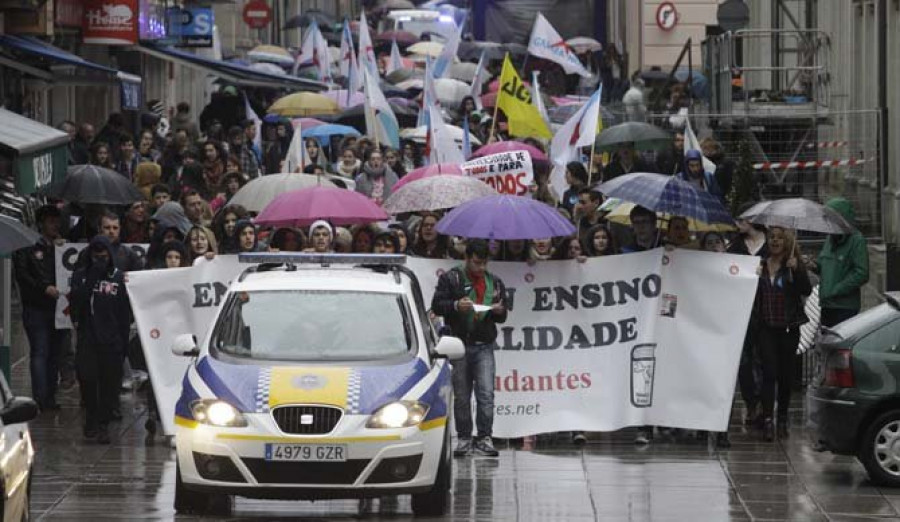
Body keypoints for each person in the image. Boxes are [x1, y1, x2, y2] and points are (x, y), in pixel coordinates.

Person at [431, 239, 508, 457]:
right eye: (476, 263)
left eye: (484, 264)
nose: (481, 268)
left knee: (486, 394)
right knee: (462, 396)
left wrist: (498, 310)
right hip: (459, 345)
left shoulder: (495, 282)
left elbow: (503, 316)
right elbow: (437, 305)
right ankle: (464, 437)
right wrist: (456, 305)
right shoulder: (451, 278)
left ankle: (484, 437)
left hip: (484, 345)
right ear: (466, 259)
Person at [69, 235, 131, 444]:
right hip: (88, 338)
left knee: (109, 385)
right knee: (87, 380)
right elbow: (76, 302)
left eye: (103, 257)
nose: (100, 261)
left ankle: (103, 424)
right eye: (96, 257)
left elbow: (124, 312)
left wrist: (123, 343)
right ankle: (91, 417)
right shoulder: (80, 275)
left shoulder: (118, 278)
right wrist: (91, 277)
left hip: (112, 340)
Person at [755, 227, 812, 441]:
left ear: (786, 242)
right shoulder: (760, 265)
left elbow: (805, 290)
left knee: (785, 376)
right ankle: (768, 419)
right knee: (768, 373)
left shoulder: (793, 265)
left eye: (779, 238)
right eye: (772, 238)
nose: (775, 241)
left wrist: (797, 271)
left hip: (788, 328)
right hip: (766, 327)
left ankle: (782, 418)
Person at [13, 206, 68, 411]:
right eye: (51, 221)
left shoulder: (61, 247)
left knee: (55, 354)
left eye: (57, 220)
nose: (55, 224)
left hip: (58, 309)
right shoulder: (27, 245)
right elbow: (22, 274)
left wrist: (60, 250)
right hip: (36, 308)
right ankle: (41, 397)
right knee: (40, 352)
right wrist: (43, 288)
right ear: (42, 222)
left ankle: (50, 396)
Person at [812, 197, 869, 327]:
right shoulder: (830, 238)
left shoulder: (856, 240)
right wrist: (813, 264)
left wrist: (837, 289)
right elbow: (823, 265)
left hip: (845, 307)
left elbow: (862, 273)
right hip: (827, 303)